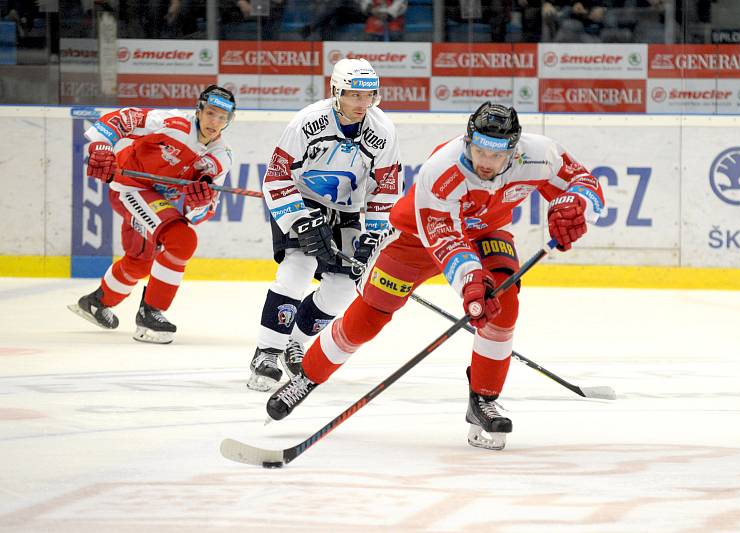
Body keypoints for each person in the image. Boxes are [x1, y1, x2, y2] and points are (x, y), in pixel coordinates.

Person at [264, 101, 605, 451]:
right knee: (369, 316)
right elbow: (446, 240)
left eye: (498, 153)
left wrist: (575, 205)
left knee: (505, 305)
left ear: (514, 150)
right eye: (480, 150)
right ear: (468, 140)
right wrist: (471, 283)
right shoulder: (442, 169)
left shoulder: (540, 155)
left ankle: (483, 400)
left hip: (487, 233)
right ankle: (308, 376)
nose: (487, 162)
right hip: (414, 240)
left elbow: (585, 182)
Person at [249, 58, 402, 392]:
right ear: (336, 91)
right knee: (299, 264)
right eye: (354, 95)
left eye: (370, 95)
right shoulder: (306, 122)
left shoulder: (383, 131)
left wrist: (373, 238)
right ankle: (268, 351)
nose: (363, 104)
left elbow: (385, 190)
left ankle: (296, 342)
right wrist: (301, 221)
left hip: (345, 211)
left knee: (345, 285)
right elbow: (276, 178)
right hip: (299, 200)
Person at [68, 85, 236, 344]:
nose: (215, 122)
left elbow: (202, 210)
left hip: (155, 201)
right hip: (129, 186)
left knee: (140, 261)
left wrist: (199, 200)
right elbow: (121, 119)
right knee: (182, 240)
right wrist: (102, 147)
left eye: (222, 118)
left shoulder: (220, 157)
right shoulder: (172, 124)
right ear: (199, 110)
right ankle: (150, 313)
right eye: (211, 113)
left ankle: (96, 303)